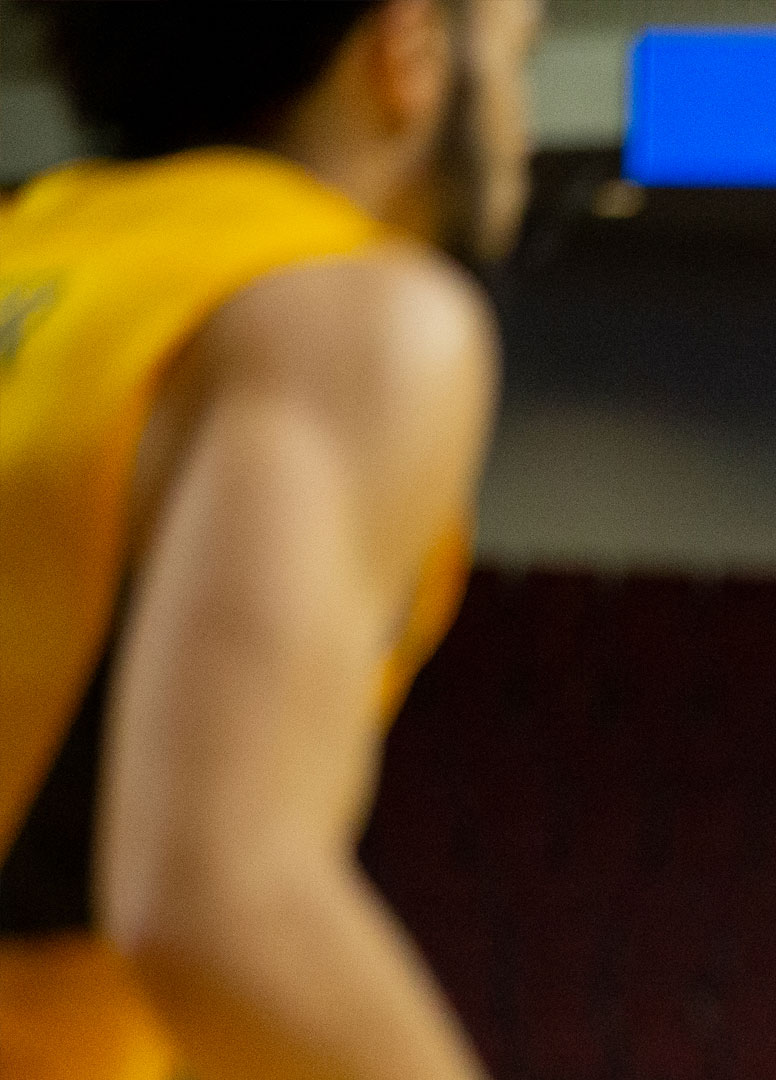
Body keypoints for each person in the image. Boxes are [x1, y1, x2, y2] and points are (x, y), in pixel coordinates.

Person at [0, 1, 540, 1077]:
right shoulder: (342, 314)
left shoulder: (38, 245)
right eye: (517, 60)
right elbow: (219, 904)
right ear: (408, 56)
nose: (519, 125)